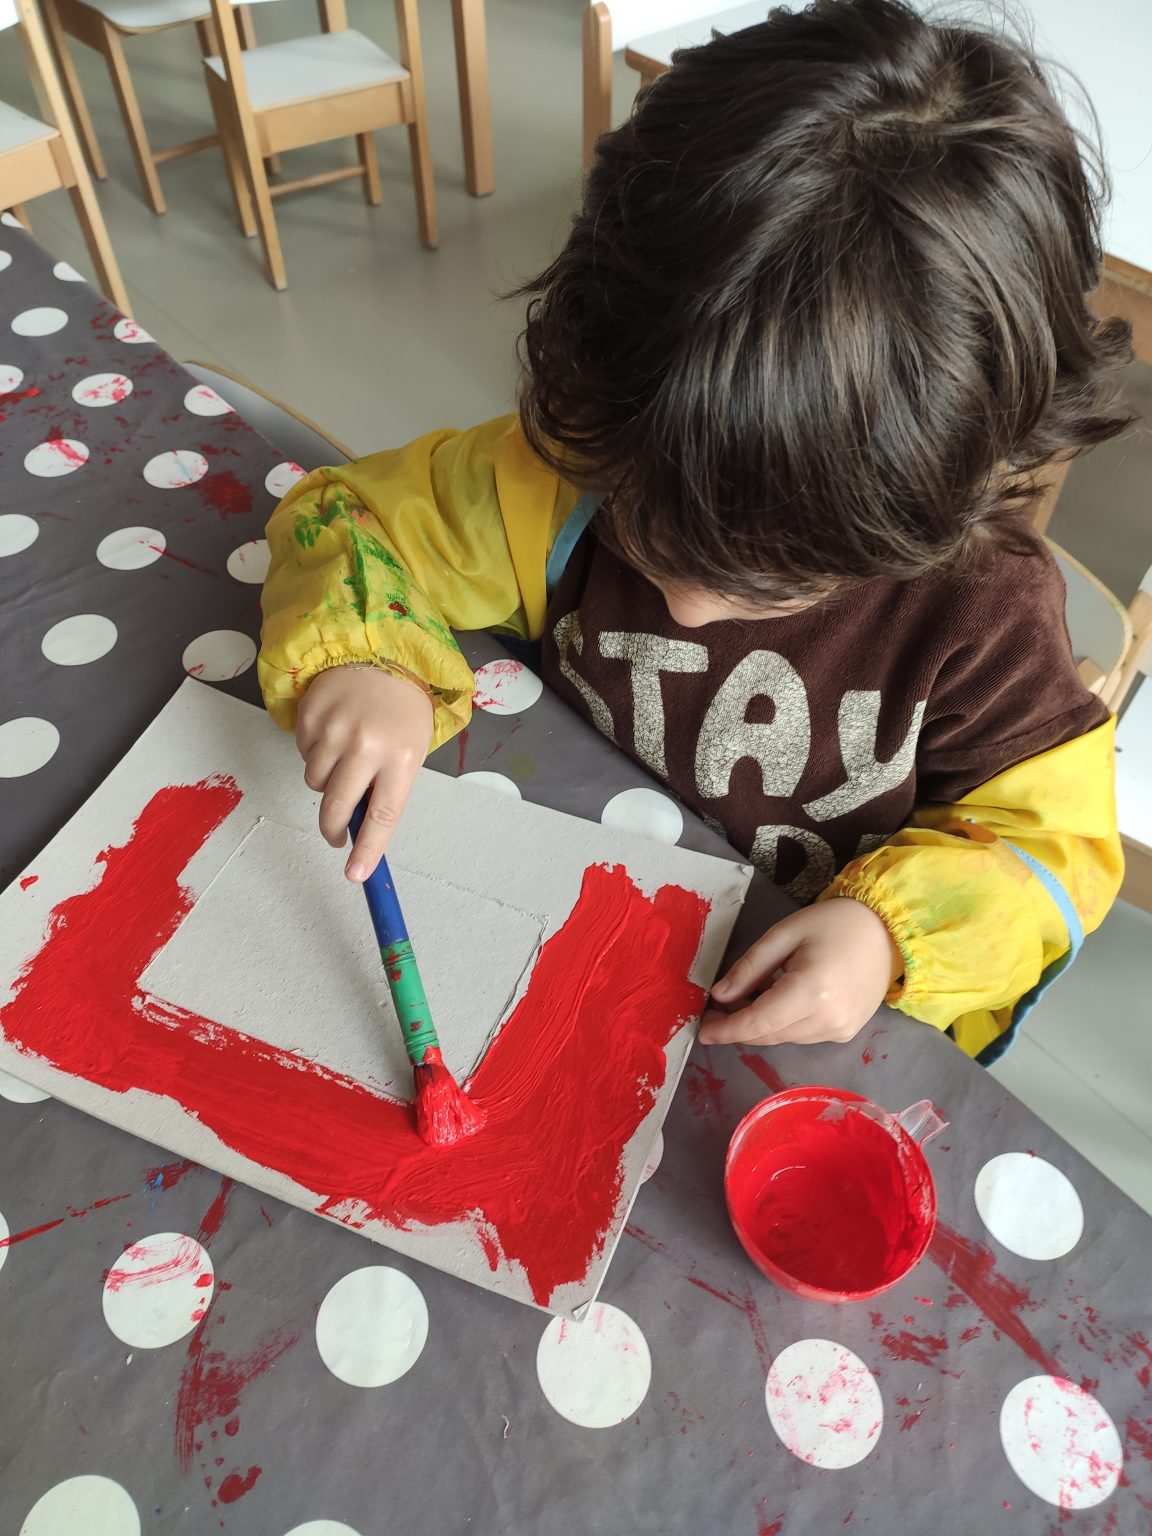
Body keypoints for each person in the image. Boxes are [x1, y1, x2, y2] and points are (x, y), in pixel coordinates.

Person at [258, 0, 1130, 1064]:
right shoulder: (576, 465)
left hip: (805, 1013)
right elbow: (355, 521)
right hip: (567, 923)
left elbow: (1053, 856)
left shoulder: (982, 609)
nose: (688, 605)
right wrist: (367, 657)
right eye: (644, 529)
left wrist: (887, 939)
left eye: (769, 584)